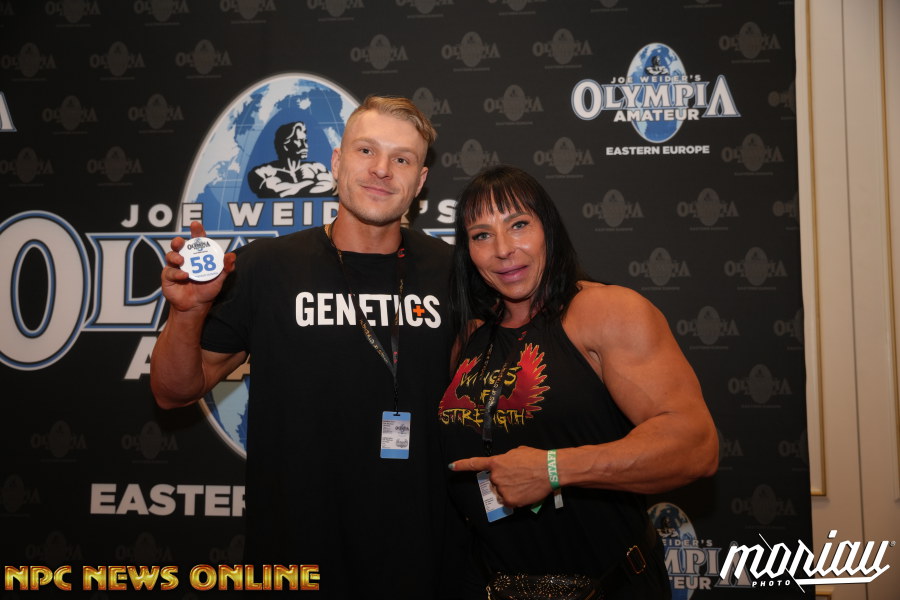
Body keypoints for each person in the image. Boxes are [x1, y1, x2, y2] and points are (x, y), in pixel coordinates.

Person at [151, 96, 457, 598]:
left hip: (421, 560)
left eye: (401, 159)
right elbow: (172, 391)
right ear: (336, 162)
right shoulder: (265, 267)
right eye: (366, 150)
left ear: (420, 181)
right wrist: (187, 314)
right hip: (292, 556)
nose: (381, 169)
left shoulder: (454, 274)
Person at [438, 165, 718, 599]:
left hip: (607, 587)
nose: (503, 249)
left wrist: (553, 469)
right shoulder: (469, 338)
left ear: (548, 229)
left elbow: (695, 446)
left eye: (518, 225)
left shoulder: (605, 311)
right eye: (482, 235)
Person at [247, 120, 336, 197]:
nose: (305, 146)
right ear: (285, 145)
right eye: (299, 141)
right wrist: (310, 182)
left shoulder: (316, 168)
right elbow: (274, 191)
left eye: (305, 141)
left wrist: (295, 188)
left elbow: (334, 188)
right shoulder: (263, 172)